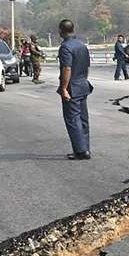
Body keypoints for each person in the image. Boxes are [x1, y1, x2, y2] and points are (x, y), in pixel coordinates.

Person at [57, 19, 94, 160]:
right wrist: (83, 80)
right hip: (83, 83)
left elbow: (67, 68)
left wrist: (64, 88)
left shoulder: (66, 47)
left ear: (61, 31)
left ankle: (80, 150)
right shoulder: (82, 45)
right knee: (83, 119)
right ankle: (86, 148)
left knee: (73, 119)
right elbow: (87, 67)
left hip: (72, 85)